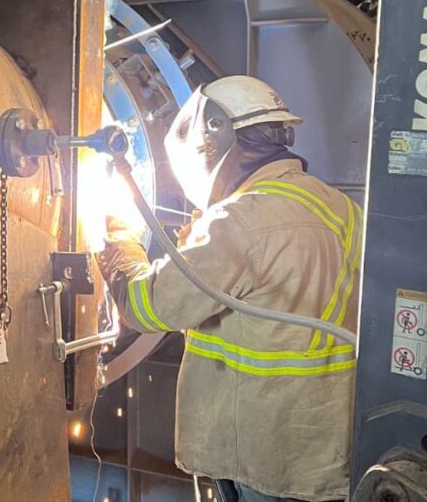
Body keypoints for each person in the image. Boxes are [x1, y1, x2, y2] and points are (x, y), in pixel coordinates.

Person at [97, 75, 361, 502]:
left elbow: (146, 306)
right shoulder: (339, 207)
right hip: (326, 450)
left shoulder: (238, 222)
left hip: (264, 456)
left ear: (211, 144)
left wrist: (119, 238)